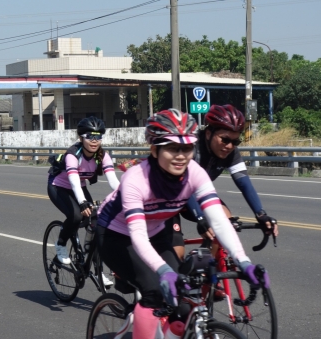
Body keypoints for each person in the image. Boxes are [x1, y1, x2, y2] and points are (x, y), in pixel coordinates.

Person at [96, 109, 269, 338]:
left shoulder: (195, 172)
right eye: (172, 148)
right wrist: (164, 270)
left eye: (187, 148)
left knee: (186, 299)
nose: (180, 156)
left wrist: (244, 262)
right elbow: (137, 236)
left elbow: (219, 221)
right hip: (116, 235)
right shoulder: (136, 178)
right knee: (154, 292)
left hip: (157, 232)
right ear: (154, 149)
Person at [169, 104, 279, 260]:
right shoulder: (190, 148)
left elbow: (244, 184)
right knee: (176, 255)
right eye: (225, 139)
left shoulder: (230, 152)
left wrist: (261, 215)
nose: (229, 146)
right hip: (170, 200)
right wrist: (200, 218)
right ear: (208, 133)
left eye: (235, 142)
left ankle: (207, 273)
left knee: (226, 224)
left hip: (198, 196)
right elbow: (184, 187)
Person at [47, 117, 119, 276]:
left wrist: (126, 196)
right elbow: (73, 181)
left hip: (79, 187)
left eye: (98, 136)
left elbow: (113, 181)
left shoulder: (102, 155)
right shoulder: (73, 154)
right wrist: (82, 203)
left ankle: (89, 259)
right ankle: (60, 245)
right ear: (81, 137)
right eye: (90, 136)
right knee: (76, 216)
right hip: (58, 186)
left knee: (95, 218)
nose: (94, 141)